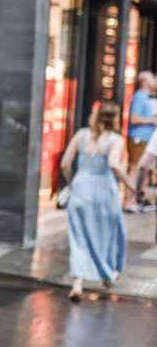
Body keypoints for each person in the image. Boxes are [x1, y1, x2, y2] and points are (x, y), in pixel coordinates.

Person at [61, 101, 135, 302]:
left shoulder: (81, 135)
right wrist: (131, 186)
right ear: (116, 119)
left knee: (79, 238)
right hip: (104, 191)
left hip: (81, 189)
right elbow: (113, 164)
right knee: (108, 233)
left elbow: (65, 164)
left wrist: (72, 183)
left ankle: (77, 284)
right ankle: (107, 276)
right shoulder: (115, 139)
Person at [128, 72, 157, 212]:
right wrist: (152, 120)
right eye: (152, 78)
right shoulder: (139, 96)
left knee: (145, 170)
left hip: (147, 138)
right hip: (138, 138)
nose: (155, 80)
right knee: (136, 169)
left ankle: (138, 200)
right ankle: (129, 201)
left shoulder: (149, 97)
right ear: (144, 81)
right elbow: (133, 119)